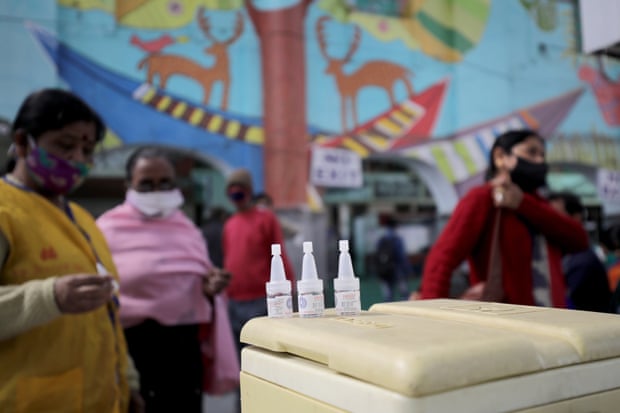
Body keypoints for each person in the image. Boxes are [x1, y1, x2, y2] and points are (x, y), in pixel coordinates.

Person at [0, 88, 142, 412]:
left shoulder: (83, 220)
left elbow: (108, 312)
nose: (78, 158)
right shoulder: (4, 210)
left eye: (87, 149)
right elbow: (51, 298)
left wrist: (127, 380)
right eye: (65, 145)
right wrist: (49, 297)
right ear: (22, 143)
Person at [96, 147, 236, 413]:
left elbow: (199, 283)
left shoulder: (187, 229)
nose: (157, 190)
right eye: (146, 184)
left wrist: (209, 288)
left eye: (165, 183)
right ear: (129, 185)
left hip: (182, 350)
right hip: (131, 348)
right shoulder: (106, 229)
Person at [418, 129, 589, 307]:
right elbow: (440, 261)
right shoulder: (483, 198)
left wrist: (523, 204)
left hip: (553, 324)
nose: (540, 161)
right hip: (510, 326)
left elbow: (579, 239)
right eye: (531, 152)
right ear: (500, 157)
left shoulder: (539, 205)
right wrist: (432, 317)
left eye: (542, 155)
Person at [223, 169, 295, 358]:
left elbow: (279, 255)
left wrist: (290, 290)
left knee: (263, 355)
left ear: (249, 191)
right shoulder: (230, 224)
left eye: (240, 189)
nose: (236, 194)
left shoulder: (266, 219)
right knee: (242, 357)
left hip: (261, 300)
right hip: (234, 302)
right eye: (232, 190)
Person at [548, 191, 613, 312]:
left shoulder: (581, 261)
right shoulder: (563, 255)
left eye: (556, 216)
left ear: (576, 218)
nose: (550, 223)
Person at [375, 215, 411, 301]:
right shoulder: (397, 240)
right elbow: (402, 257)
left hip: (384, 271)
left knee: (388, 297)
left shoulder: (381, 240)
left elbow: (377, 256)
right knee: (404, 294)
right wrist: (408, 270)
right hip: (397, 271)